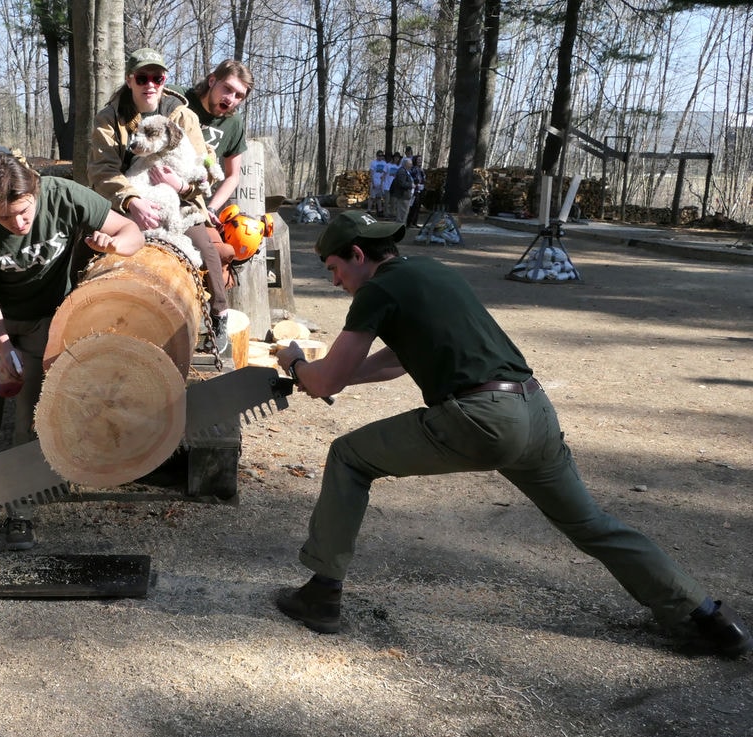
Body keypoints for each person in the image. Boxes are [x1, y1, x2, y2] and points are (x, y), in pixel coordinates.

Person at [272, 210, 751, 658]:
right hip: (534, 410)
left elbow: (326, 382)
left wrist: (295, 362)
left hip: (482, 419)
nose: (335, 282)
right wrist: (326, 372)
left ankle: (321, 594)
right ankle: (704, 616)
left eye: (333, 268)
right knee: (591, 525)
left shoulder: (377, 291)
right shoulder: (431, 271)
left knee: (349, 456)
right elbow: (397, 360)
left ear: (358, 255)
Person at [0, 153, 143, 550]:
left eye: (23, 213)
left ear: (37, 193)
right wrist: (3, 349)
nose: (18, 224)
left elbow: (133, 230)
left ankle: (22, 511)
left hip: (48, 320)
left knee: (33, 419)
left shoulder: (65, 196)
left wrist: (115, 244)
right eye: (4, 219)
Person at [87, 47, 232, 354]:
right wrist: (132, 200)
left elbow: (202, 165)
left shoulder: (183, 115)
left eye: (157, 77)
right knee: (87, 248)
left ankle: (218, 316)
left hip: (180, 203)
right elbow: (102, 170)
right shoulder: (108, 118)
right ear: (130, 80)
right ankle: (81, 317)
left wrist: (179, 185)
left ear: (165, 80)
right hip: (125, 203)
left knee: (208, 250)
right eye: (142, 77)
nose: (149, 84)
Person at [181, 59, 254, 224]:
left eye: (238, 96)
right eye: (227, 89)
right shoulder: (180, 99)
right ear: (212, 80)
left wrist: (211, 208)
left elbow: (233, 176)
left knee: (222, 249)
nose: (230, 99)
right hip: (153, 186)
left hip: (190, 199)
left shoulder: (233, 123)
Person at [388, 157, 414, 223]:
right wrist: (411, 185)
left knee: (404, 213)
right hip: (403, 195)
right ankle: (400, 226)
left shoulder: (406, 171)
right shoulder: (401, 171)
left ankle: (401, 225)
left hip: (406, 196)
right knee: (402, 212)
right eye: (410, 164)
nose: (411, 165)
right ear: (405, 164)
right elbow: (402, 183)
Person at [406, 154, 426, 228]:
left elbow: (423, 178)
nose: (420, 161)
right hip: (414, 190)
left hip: (421, 189)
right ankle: (409, 222)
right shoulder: (413, 169)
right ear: (415, 161)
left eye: (420, 160)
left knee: (418, 207)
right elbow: (411, 178)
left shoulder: (421, 169)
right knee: (413, 206)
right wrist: (416, 184)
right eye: (418, 160)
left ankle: (415, 222)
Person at [368, 150, 387, 215]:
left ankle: (379, 210)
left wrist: (383, 182)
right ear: (376, 156)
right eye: (379, 155)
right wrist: (373, 182)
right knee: (372, 197)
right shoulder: (373, 163)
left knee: (379, 197)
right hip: (375, 181)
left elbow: (385, 173)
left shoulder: (384, 163)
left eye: (381, 156)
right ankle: (369, 210)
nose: (380, 157)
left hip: (381, 183)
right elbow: (371, 173)